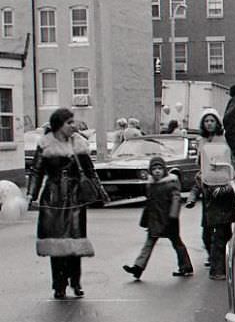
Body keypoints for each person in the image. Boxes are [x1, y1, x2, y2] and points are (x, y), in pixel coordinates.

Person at [27, 108, 108, 299]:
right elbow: (36, 171)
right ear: (58, 125)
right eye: (69, 123)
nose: (74, 126)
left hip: (74, 198)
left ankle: (76, 282)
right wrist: (31, 195)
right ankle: (59, 285)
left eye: (73, 122)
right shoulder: (45, 145)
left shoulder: (79, 144)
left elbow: (90, 171)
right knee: (55, 245)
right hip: (53, 198)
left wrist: (100, 191)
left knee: (75, 243)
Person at [186, 109, 235, 280]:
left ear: (217, 123)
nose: (209, 124)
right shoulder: (201, 141)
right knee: (213, 230)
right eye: (206, 121)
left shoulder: (225, 139)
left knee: (222, 231)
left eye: (212, 121)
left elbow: (231, 162)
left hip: (224, 187)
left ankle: (219, 267)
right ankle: (219, 263)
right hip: (208, 188)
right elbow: (201, 166)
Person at [123, 156, 194, 279]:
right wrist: (145, 220)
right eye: (154, 169)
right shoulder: (151, 184)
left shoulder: (171, 183)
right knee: (149, 243)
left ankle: (186, 266)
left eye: (159, 168)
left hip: (169, 220)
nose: (157, 171)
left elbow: (176, 200)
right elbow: (149, 203)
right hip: (155, 220)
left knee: (177, 243)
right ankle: (138, 267)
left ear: (164, 170)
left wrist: (173, 217)